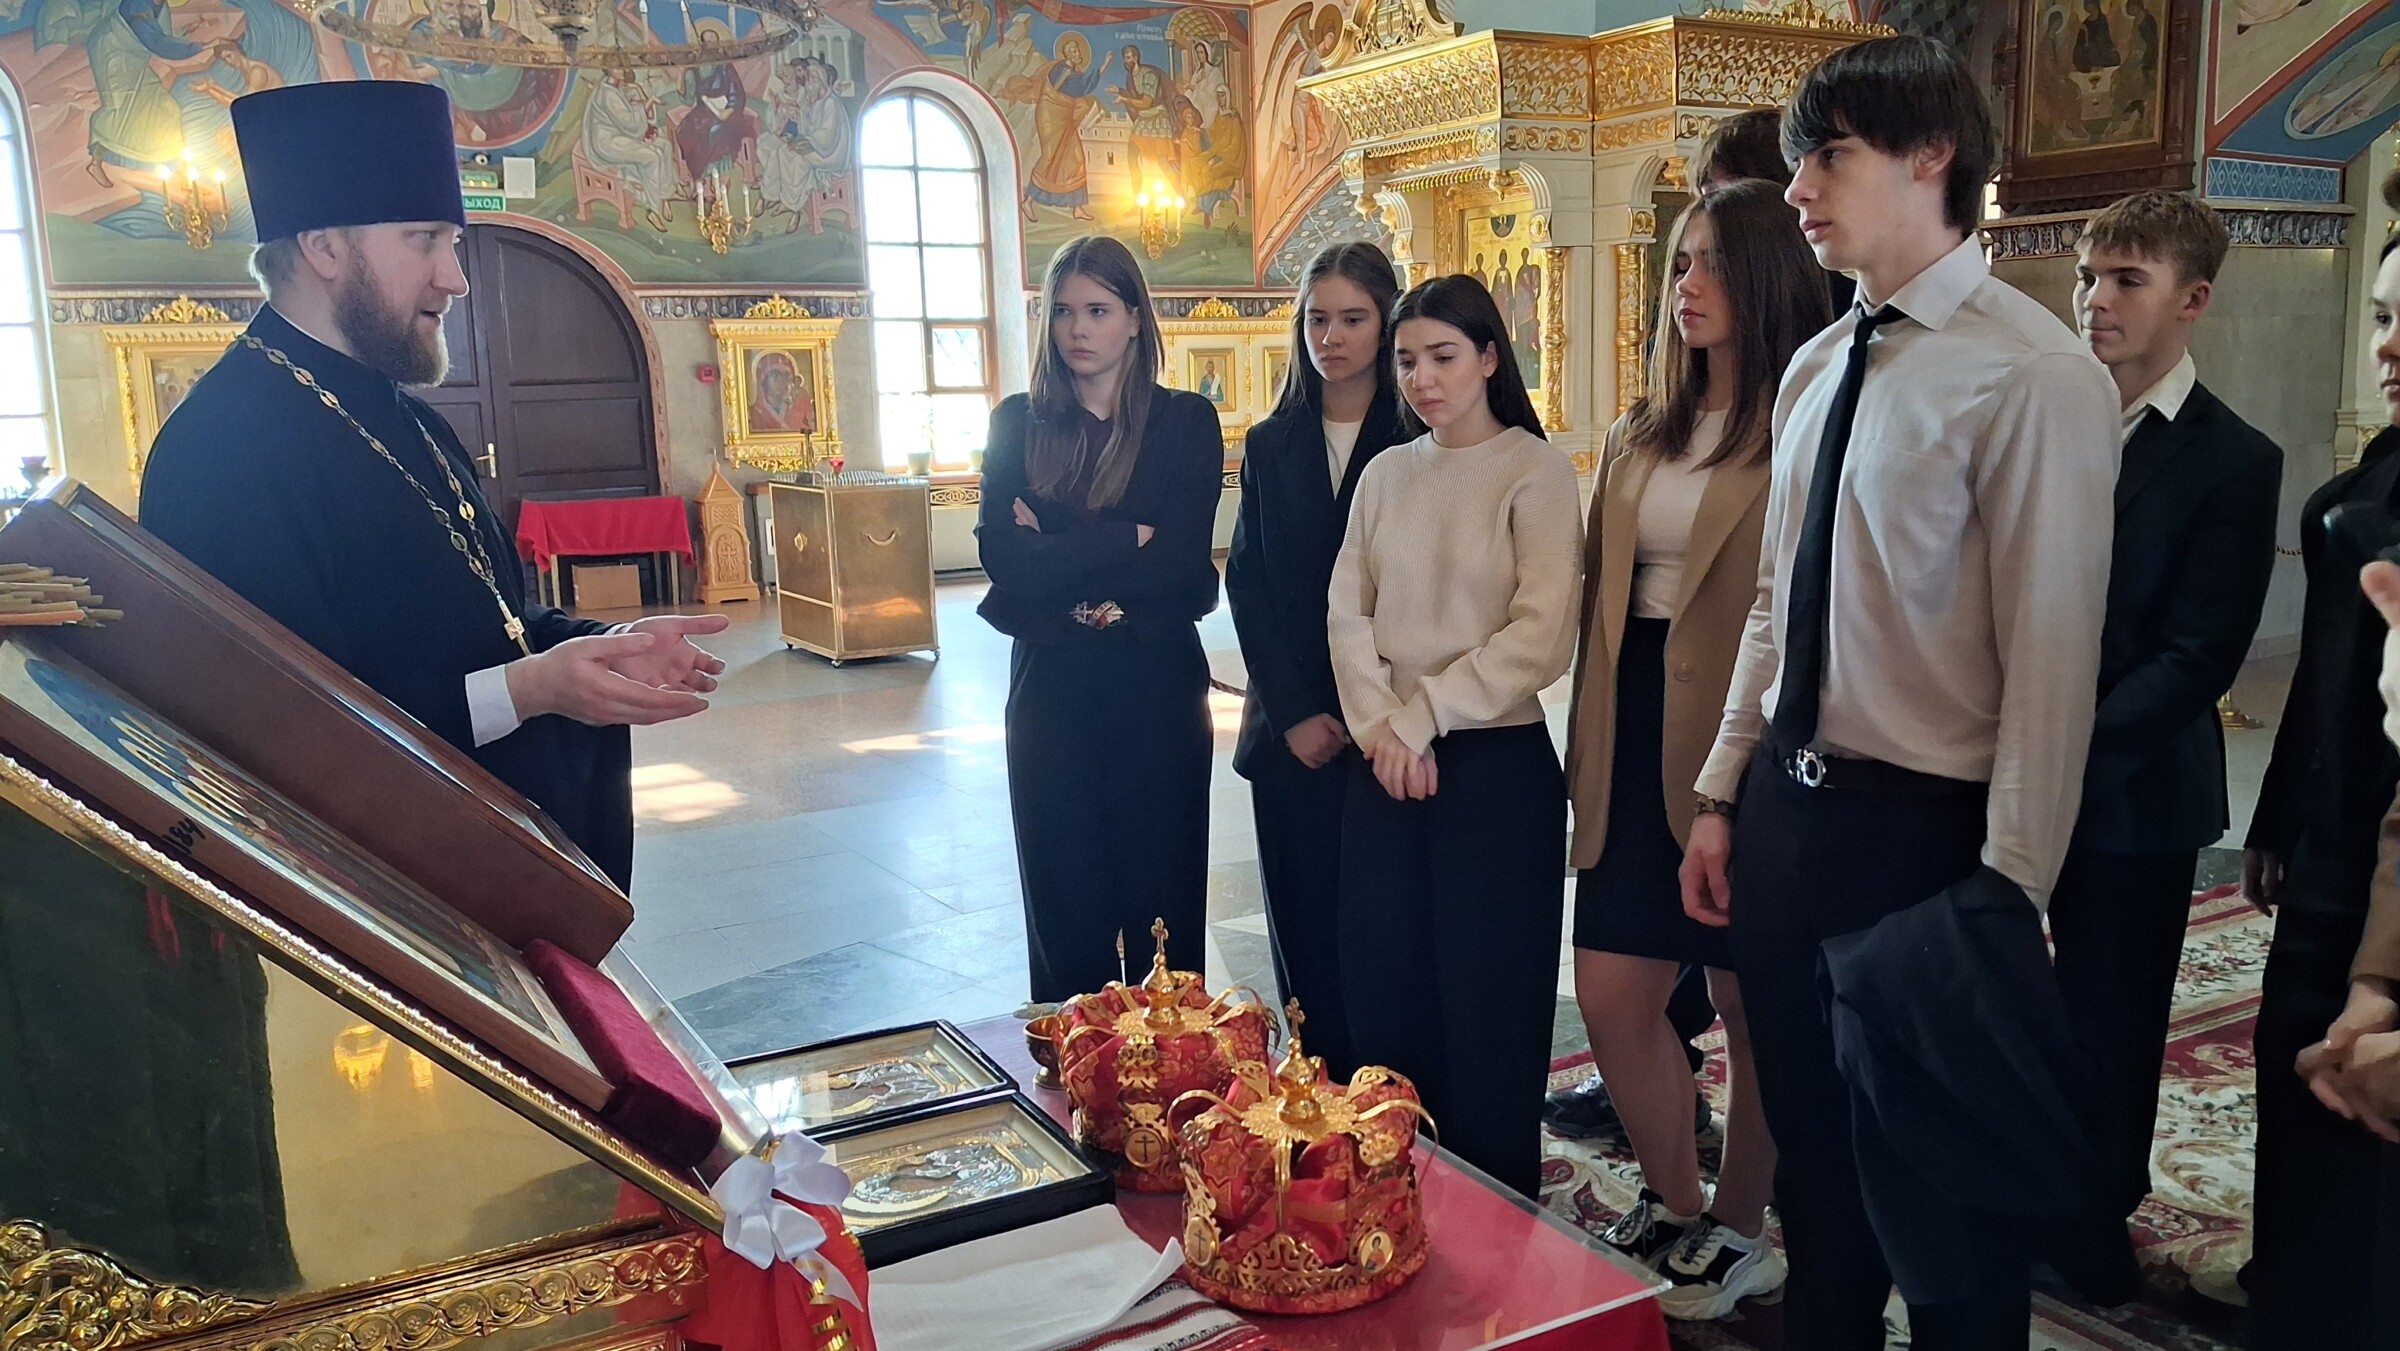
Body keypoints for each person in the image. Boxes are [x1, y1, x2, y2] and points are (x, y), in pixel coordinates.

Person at [1679, 37, 2119, 1346]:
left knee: (1948, 1220)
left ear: (1934, 157)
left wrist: (2010, 891)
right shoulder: (1818, 364)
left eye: (1830, 155)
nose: (1798, 188)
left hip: (1930, 836)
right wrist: (1723, 789)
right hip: (1792, 816)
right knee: (1819, 1181)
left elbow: (2052, 656)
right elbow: (1776, 601)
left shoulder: (2032, 374)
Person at [138, 82, 725, 892]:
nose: (456, 278)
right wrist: (529, 688)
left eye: (451, 242)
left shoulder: (411, 419)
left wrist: (599, 646)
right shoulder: (220, 449)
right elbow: (281, 725)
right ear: (323, 246)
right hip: (379, 893)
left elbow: (491, 620)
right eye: (424, 240)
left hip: (493, 863)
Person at [1564, 180, 1829, 1320]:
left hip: (1743, 734)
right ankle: (1676, 1201)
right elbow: (1601, 600)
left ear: (1767, 278)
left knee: (1748, 997)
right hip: (1630, 731)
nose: (1688, 285)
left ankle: (1740, 1225)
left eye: (1714, 263)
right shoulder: (1641, 427)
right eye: (1680, 262)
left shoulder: (1801, 424)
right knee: (1612, 990)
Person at [2054, 190, 2281, 1222]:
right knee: (2003, 998)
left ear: (2192, 300)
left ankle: (2092, 1222)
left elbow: (2197, 655)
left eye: (2126, 280)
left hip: (2132, 786)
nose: (2094, 299)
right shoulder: (2041, 416)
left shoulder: (2233, 459)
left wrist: (2060, 754)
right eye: (2087, 276)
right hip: (2003, 765)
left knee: (2111, 1016)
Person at [1329, 274, 1581, 1198]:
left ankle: (1497, 1213)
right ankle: (1391, 1200)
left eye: (1442, 356)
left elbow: (1541, 634)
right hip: (1386, 765)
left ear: (1488, 357)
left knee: (1489, 1004)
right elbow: (1346, 612)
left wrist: (1424, 714)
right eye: (1407, 361)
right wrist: (1382, 730)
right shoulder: (1386, 473)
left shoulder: (1535, 469)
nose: (1422, 379)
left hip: (1493, 769)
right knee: (1385, 990)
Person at [976, 235, 1223, 1003]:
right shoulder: (1017, 423)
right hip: (1052, 684)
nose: (1077, 328)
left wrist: (1053, 540)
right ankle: (1072, 1055)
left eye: (1097, 309)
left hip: (1156, 682)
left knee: (1163, 900)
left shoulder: (1185, 422)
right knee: (1063, 898)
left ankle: (1173, 1056)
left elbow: (1182, 562)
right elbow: (1004, 560)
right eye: (1062, 311)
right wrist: (1125, 537)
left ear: (1135, 318)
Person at [2241, 179, 2400, 1349]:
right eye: (2383, 317)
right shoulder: (2365, 490)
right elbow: (2325, 683)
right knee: (2297, 1063)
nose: (2386, 346)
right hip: (2342, 836)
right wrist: (2277, 816)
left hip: (2387, 857)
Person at [1226, 241, 1407, 1082]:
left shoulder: (1416, 434)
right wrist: (1295, 711)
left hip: (1392, 728)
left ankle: (1388, 1105)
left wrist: (1377, 715)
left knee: (1382, 934)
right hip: (1292, 733)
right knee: (1303, 932)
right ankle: (1311, 1097)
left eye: (1353, 319)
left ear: (1387, 323)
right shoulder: (1271, 443)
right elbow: (1249, 584)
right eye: (1317, 318)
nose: (1331, 337)